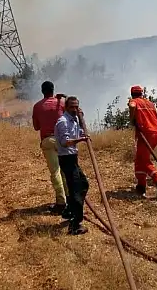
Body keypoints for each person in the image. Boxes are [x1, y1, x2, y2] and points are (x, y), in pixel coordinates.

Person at [54, 96, 90, 235]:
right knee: (76, 189)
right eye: (72, 107)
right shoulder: (62, 122)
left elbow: (79, 132)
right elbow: (65, 142)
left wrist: (81, 123)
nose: (75, 109)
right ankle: (75, 225)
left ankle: (69, 210)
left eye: (76, 107)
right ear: (65, 108)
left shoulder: (74, 119)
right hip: (66, 158)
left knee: (84, 185)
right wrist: (81, 140)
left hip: (73, 157)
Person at [32, 81, 68, 215]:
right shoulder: (62, 103)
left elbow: (36, 127)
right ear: (53, 90)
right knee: (66, 170)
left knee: (55, 172)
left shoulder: (37, 106)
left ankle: (61, 202)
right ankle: (70, 199)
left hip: (48, 140)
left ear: (42, 91)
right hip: (63, 140)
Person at [128, 85, 157, 198]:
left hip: (146, 133)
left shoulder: (134, 101)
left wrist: (132, 120)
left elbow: (132, 106)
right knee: (140, 159)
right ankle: (141, 185)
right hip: (156, 132)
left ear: (132, 94)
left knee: (144, 159)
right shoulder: (150, 103)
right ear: (142, 93)